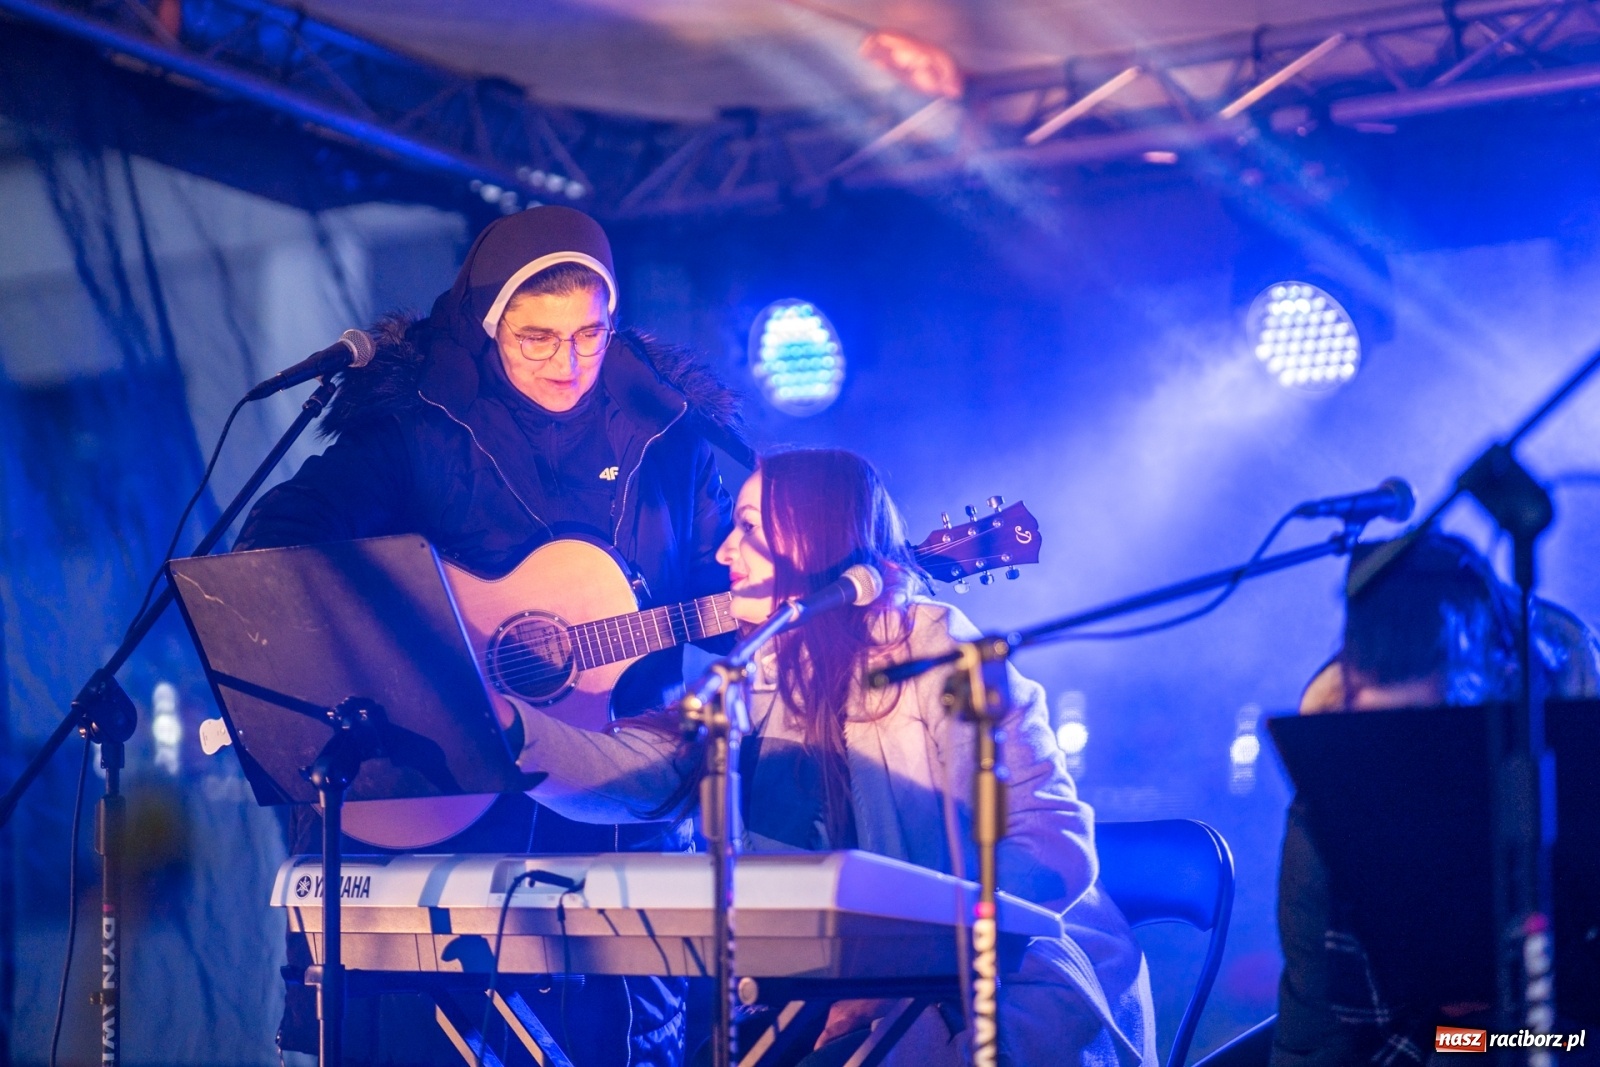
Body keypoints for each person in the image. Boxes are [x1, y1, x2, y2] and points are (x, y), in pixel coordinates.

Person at [235, 205, 745, 1066]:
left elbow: (742, 597)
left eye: (588, 335)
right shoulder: (418, 421)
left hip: (616, 822)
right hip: (443, 815)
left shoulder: (676, 435)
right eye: (536, 338)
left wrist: (771, 606)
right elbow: (280, 541)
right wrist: (432, 641)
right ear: (487, 323)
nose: (568, 362)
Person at [511, 448, 1158, 1067]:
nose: (723, 552)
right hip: (846, 989)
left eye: (747, 527)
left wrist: (918, 956)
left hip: (1003, 988)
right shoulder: (751, 671)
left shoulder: (938, 649)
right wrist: (507, 733)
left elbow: (1054, 843)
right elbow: (636, 768)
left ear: (811, 539)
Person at [1271, 531, 1600, 1067]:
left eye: (1425, 725)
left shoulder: (1567, 774)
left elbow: (1574, 1037)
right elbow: (1316, 1038)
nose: (1402, 757)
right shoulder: (1324, 815)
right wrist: (1466, 1035)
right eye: (1378, 727)